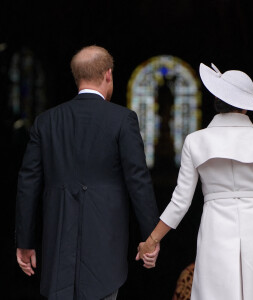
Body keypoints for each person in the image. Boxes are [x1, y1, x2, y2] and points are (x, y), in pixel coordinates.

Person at [15, 45, 160, 300]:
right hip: (105, 251)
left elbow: (28, 185)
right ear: (108, 74)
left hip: (57, 247)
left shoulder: (46, 122)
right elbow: (138, 181)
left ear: (76, 77)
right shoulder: (122, 119)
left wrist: (24, 242)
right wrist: (151, 238)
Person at [137, 63, 253, 300]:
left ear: (217, 100)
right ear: (246, 107)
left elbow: (180, 202)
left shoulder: (195, 141)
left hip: (215, 229)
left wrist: (151, 241)